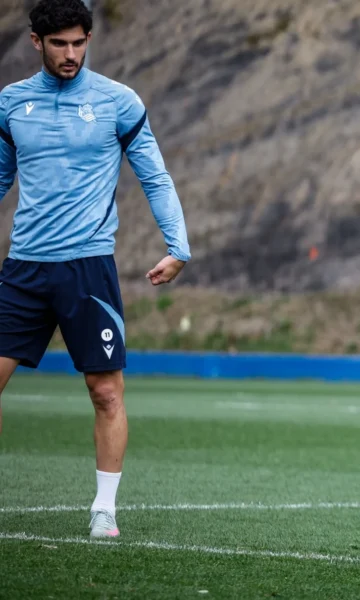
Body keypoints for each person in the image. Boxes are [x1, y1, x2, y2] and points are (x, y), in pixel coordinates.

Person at [0, 0, 191, 538]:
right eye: (59, 44)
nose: (71, 54)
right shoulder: (11, 104)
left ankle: (104, 508)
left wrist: (178, 245)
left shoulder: (117, 102)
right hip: (23, 269)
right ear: (36, 42)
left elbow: (154, 175)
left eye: (79, 43)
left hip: (88, 269)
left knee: (106, 392)